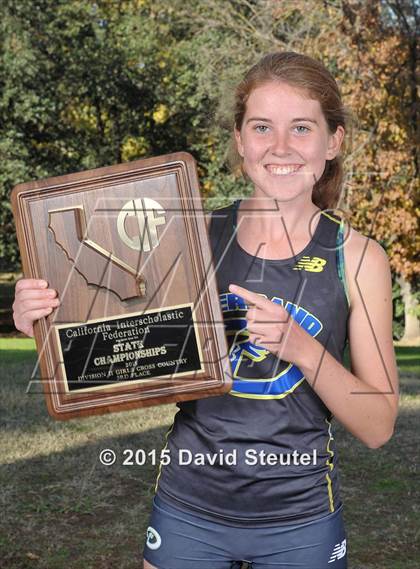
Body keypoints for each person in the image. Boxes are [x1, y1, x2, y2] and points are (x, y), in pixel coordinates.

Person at [13, 52, 399, 569]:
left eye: (302, 128)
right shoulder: (190, 236)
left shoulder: (359, 258)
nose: (280, 148)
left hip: (301, 520)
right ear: (240, 141)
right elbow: (107, 339)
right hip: (187, 511)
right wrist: (43, 318)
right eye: (262, 127)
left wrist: (303, 350)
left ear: (333, 141)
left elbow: (378, 426)